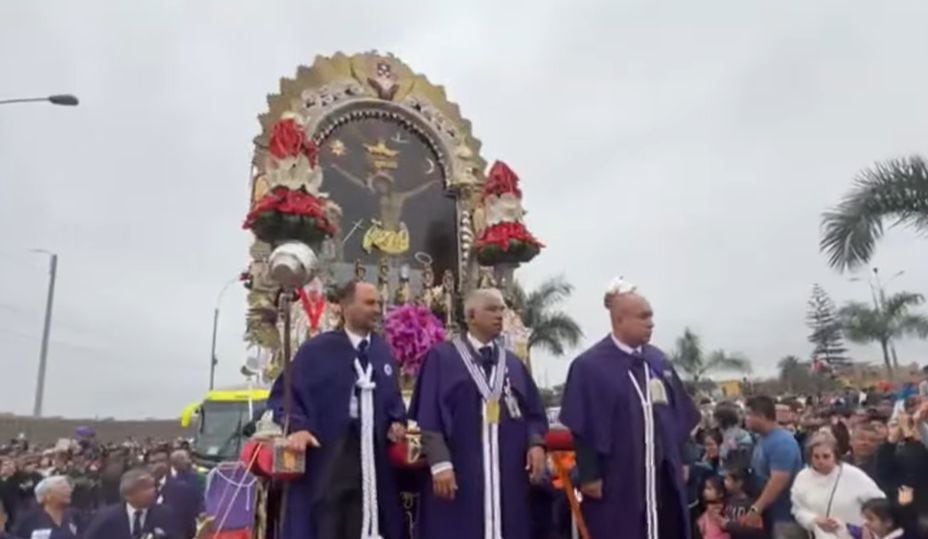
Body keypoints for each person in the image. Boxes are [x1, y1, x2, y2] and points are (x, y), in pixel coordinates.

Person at [560, 278, 700, 539]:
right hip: (619, 475)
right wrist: (590, 475)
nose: (651, 322)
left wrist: (685, 458)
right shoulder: (590, 366)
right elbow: (584, 425)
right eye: (643, 316)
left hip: (662, 474)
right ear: (620, 320)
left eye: (652, 316)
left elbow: (680, 415)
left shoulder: (658, 361)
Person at [267, 280, 407, 539]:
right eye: (369, 303)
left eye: (379, 303)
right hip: (329, 458)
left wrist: (397, 422)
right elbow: (286, 394)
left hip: (373, 460)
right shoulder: (317, 351)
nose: (377, 309)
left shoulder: (382, 352)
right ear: (345, 306)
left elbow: (394, 401)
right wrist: (298, 428)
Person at [410, 287, 548, 539]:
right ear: (471, 316)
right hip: (461, 470)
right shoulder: (442, 358)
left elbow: (534, 414)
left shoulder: (513, 363)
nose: (499, 315)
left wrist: (536, 443)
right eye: (492, 309)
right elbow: (428, 416)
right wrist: (441, 464)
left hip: (508, 473)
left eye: (501, 309)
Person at [790, 431, 884, 538]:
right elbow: (798, 509)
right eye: (816, 457)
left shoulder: (854, 475)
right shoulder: (802, 477)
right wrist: (814, 520)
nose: (820, 461)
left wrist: (868, 526)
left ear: (835, 455)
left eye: (826, 456)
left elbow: (879, 502)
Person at [741, 395, 804, 539]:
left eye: (748, 414)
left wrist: (757, 508)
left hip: (785, 517)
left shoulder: (782, 443)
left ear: (761, 416)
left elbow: (778, 481)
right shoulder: (763, 438)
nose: (746, 419)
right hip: (770, 514)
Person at [83, 468, 182, 539]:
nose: (154, 491)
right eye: (146, 488)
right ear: (129, 494)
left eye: (153, 486)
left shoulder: (165, 514)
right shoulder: (107, 517)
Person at [146, 447, 200, 539]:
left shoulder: (184, 490)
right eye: (153, 463)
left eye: (161, 461)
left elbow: (190, 524)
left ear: (169, 463)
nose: (158, 465)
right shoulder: (140, 489)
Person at [10, 476, 81, 539]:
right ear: (48, 495)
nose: (69, 491)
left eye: (69, 488)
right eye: (63, 488)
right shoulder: (29, 518)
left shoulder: (75, 516)